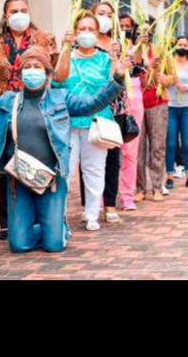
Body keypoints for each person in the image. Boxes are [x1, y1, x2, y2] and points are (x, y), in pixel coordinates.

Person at [0, 46, 125, 253]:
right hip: (18, 180)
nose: (32, 70)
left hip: (52, 180)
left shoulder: (61, 98)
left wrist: (116, 80)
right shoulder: (8, 101)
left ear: (47, 73)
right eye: (27, 67)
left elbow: (92, 104)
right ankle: (43, 226)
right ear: (20, 75)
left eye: (37, 66)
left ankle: (55, 228)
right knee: (19, 245)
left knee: (54, 245)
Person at [0, 0, 74, 241]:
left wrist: (67, 49)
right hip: (6, 109)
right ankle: (9, 222)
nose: (19, 14)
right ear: (5, 16)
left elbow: (61, 74)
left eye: (23, 10)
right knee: (7, 162)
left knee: (38, 160)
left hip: (37, 106)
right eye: (14, 11)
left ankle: (44, 219)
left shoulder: (45, 39)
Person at [59, 12, 124, 231]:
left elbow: (115, 84)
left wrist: (115, 59)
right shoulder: (67, 55)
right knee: (65, 169)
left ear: (98, 34)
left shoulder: (105, 59)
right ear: (75, 32)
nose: (86, 33)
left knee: (94, 169)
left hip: (97, 122)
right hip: (67, 120)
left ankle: (92, 214)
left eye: (91, 30)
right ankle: (57, 213)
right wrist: (64, 47)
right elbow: (57, 79)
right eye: (82, 29)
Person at [84, 2, 134, 222]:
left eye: (108, 15)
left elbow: (121, 76)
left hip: (116, 107)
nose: (105, 18)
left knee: (113, 158)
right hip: (92, 106)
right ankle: (90, 205)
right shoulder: (85, 43)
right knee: (88, 158)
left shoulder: (117, 44)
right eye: (100, 14)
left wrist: (117, 59)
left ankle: (110, 205)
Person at [136, 26, 175, 201]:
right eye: (139, 33)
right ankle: (140, 188)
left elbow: (173, 76)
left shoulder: (161, 51)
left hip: (158, 103)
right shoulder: (131, 52)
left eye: (146, 32)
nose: (143, 35)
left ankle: (157, 187)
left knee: (157, 146)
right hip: (136, 104)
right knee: (137, 148)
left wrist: (163, 79)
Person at [116, 13, 149, 211]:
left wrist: (139, 44)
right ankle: (107, 195)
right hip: (114, 100)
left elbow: (138, 66)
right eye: (121, 25)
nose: (124, 29)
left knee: (130, 151)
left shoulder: (136, 49)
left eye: (128, 26)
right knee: (111, 151)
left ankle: (127, 195)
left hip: (134, 100)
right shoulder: (111, 47)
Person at [165, 37, 188, 190]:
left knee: (187, 142)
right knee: (171, 143)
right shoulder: (168, 63)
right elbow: (160, 80)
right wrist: (169, 80)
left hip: (187, 107)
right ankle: (169, 175)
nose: (182, 47)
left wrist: (186, 87)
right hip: (170, 107)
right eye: (179, 44)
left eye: (185, 45)